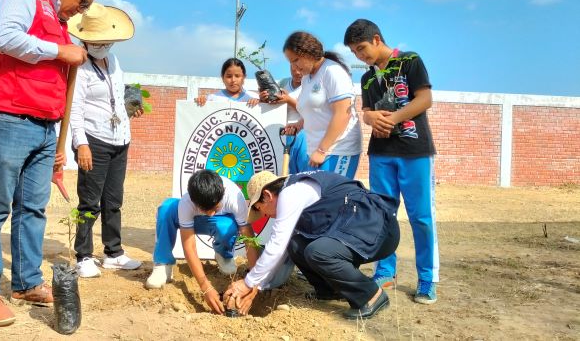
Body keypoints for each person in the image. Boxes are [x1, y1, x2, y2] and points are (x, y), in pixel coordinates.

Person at [0, 0, 100, 327]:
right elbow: (3, 37)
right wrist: (61, 52)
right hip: (5, 118)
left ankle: (25, 283)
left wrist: (55, 141)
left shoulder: (59, 25)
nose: (81, 10)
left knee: (33, 208)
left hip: (42, 127)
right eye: (82, 1)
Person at [344, 18, 439, 304]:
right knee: (383, 215)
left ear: (376, 39)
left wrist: (394, 118)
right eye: (354, 53)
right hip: (381, 154)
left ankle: (426, 280)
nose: (360, 56)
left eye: (362, 48)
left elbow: (425, 99)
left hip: (415, 151)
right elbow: (367, 111)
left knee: (421, 217)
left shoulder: (410, 61)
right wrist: (370, 117)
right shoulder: (367, 78)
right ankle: (385, 271)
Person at [223, 170, 400, 319]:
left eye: (261, 210)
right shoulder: (293, 192)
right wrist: (257, 286)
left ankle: (370, 295)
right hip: (358, 229)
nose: (267, 217)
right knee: (295, 244)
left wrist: (247, 283)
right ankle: (330, 290)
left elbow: (276, 247)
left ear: (267, 196)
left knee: (318, 252)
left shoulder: (291, 194)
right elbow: (283, 250)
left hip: (380, 231)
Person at [66, 3, 143, 278]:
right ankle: (84, 255)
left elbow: (116, 94)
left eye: (106, 40)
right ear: (85, 38)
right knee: (89, 199)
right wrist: (81, 143)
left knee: (113, 200)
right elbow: (73, 107)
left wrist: (130, 106)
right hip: (94, 140)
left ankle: (113, 252)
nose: (102, 45)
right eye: (96, 41)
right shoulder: (80, 66)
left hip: (120, 138)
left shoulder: (114, 61)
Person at [145, 170, 260, 315]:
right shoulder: (187, 202)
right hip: (195, 221)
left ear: (222, 193)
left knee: (228, 226)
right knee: (166, 208)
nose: (211, 213)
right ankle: (163, 263)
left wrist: (253, 279)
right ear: (193, 201)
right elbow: (189, 246)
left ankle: (223, 254)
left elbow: (248, 236)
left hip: (221, 222)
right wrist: (206, 287)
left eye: (215, 208)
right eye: (205, 209)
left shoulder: (234, 196)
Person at [282, 31, 362, 177]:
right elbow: (316, 112)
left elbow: (343, 113)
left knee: (332, 198)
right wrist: (298, 125)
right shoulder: (307, 78)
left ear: (308, 52)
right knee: (315, 198)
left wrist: (322, 150)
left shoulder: (332, 72)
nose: (294, 67)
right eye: (291, 62)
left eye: (296, 60)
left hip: (338, 150)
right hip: (316, 151)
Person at [259, 66, 308, 174]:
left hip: (302, 134)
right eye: (293, 67)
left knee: (300, 170)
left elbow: (311, 112)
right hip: (282, 134)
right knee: (282, 170)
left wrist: (289, 100)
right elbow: (272, 105)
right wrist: (264, 99)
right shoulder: (283, 83)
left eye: (300, 68)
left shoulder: (310, 84)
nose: (297, 72)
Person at [194, 58, 259, 106]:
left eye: (237, 76)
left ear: (244, 77)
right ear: (222, 78)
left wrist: (261, 103)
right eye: (229, 76)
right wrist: (200, 102)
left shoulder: (254, 98)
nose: (233, 80)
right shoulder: (212, 99)